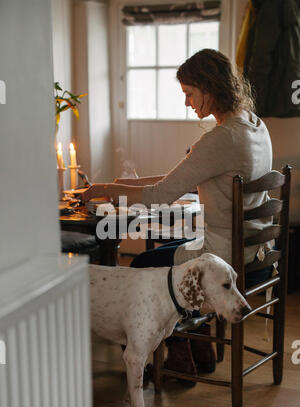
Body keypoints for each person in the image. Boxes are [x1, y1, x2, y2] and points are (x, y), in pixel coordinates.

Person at [83, 49, 273, 385]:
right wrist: (109, 187)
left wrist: (106, 191)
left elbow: (158, 195)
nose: (187, 102)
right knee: (170, 251)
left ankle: (181, 359)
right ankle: (200, 353)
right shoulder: (255, 126)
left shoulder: (219, 139)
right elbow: (172, 180)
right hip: (256, 257)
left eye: (189, 93)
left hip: (226, 260)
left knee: (143, 267)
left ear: (209, 88)